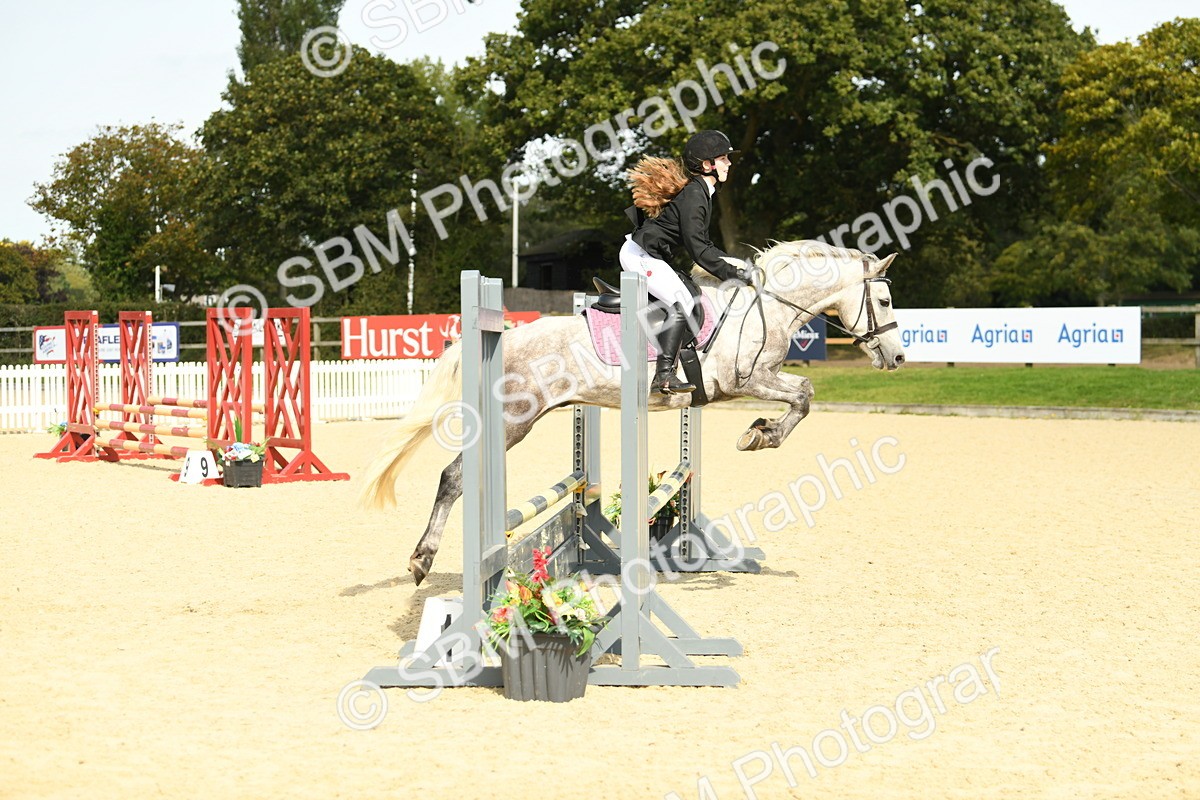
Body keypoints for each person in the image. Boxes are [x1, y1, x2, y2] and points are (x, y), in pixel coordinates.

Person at [622, 129, 751, 395]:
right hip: (639, 255)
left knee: (689, 295)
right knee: (682, 301)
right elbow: (699, 250)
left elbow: (704, 245)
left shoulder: (701, 193)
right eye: (724, 158)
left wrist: (735, 267)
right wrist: (733, 273)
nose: (729, 163)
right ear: (707, 164)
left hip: (649, 255)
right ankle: (664, 376)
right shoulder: (695, 195)